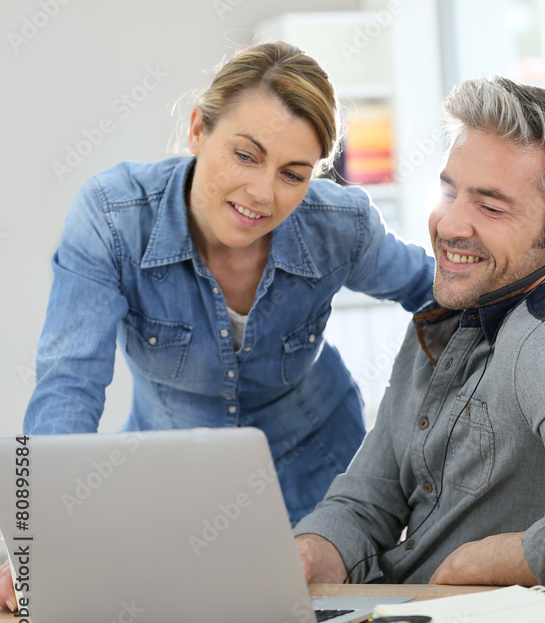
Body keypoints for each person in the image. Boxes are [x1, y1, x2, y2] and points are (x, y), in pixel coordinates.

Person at [293, 76, 545, 590]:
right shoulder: (440, 321)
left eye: (489, 206)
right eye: (448, 191)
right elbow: (368, 500)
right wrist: (312, 552)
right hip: (393, 619)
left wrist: (486, 561)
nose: (449, 224)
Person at [21, 41, 435, 522]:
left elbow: (443, 295)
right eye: (245, 155)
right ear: (198, 130)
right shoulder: (113, 220)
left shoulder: (339, 227)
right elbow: (69, 384)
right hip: (172, 477)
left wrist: (425, 425)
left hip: (320, 469)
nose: (262, 194)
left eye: (292, 174)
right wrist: (40, 538)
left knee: (331, 599)